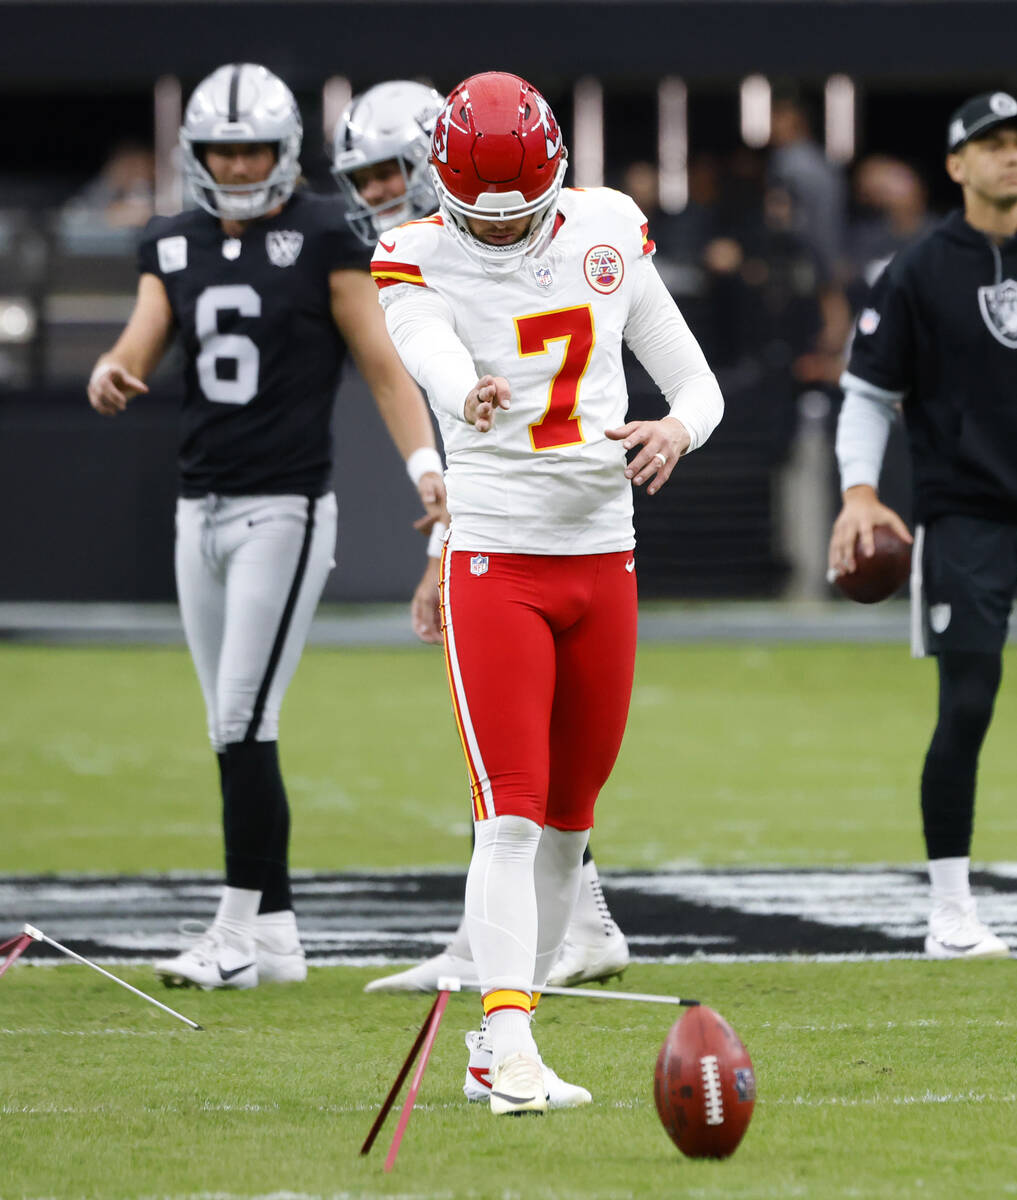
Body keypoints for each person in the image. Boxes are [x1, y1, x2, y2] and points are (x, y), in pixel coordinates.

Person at [374, 71, 724, 1113]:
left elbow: (693, 380)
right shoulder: (416, 250)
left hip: (603, 556)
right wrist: (458, 387)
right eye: (483, 222)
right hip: (498, 557)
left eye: (521, 217)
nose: (503, 236)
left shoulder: (605, 226)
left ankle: (504, 1040)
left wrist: (676, 430)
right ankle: (508, 1042)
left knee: (571, 818)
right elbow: (427, 345)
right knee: (511, 815)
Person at [87, 63, 446, 990]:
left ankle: (235, 928)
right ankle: (277, 935)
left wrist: (424, 469)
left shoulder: (327, 233)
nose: (241, 167)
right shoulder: (170, 243)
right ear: (195, 156)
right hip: (195, 504)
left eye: (253, 149)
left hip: (282, 505)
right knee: (229, 725)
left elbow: (380, 364)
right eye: (223, 152)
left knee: (245, 716)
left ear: (285, 153)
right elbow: (142, 337)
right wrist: (111, 371)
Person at [332, 78, 632, 995]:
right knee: (518, 759)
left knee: (527, 763)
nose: (383, 189)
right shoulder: (429, 246)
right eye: (370, 173)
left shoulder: (512, 235)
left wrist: (443, 546)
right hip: (515, 517)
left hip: (555, 518)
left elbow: (488, 419)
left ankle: (523, 941)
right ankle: (555, 929)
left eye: (394, 168)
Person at [828, 91, 1017, 961]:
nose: (1008, 156)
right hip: (967, 514)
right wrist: (859, 494)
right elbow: (867, 395)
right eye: (990, 144)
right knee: (968, 705)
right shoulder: (916, 269)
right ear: (955, 164)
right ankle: (951, 910)